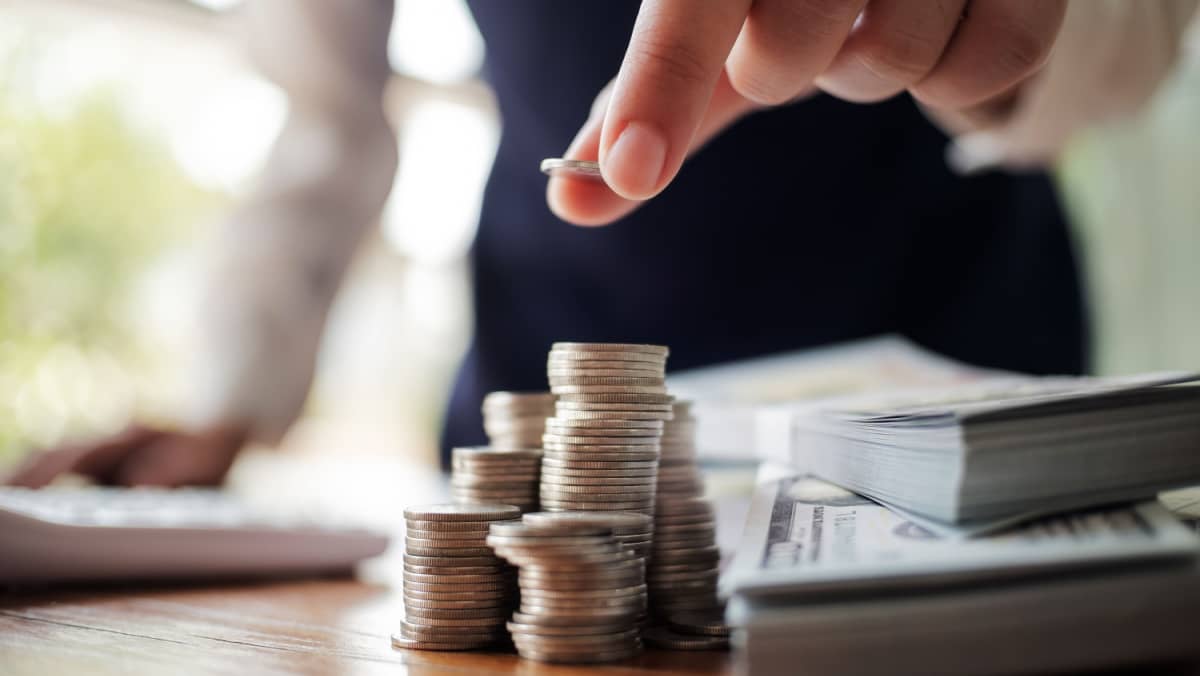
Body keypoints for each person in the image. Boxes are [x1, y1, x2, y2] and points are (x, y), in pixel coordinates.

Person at [7, 0, 1198, 488]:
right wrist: (229, 398)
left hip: (961, 348)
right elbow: (325, 111)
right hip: (545, 390)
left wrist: (1000, 49)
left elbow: (1138, 45)